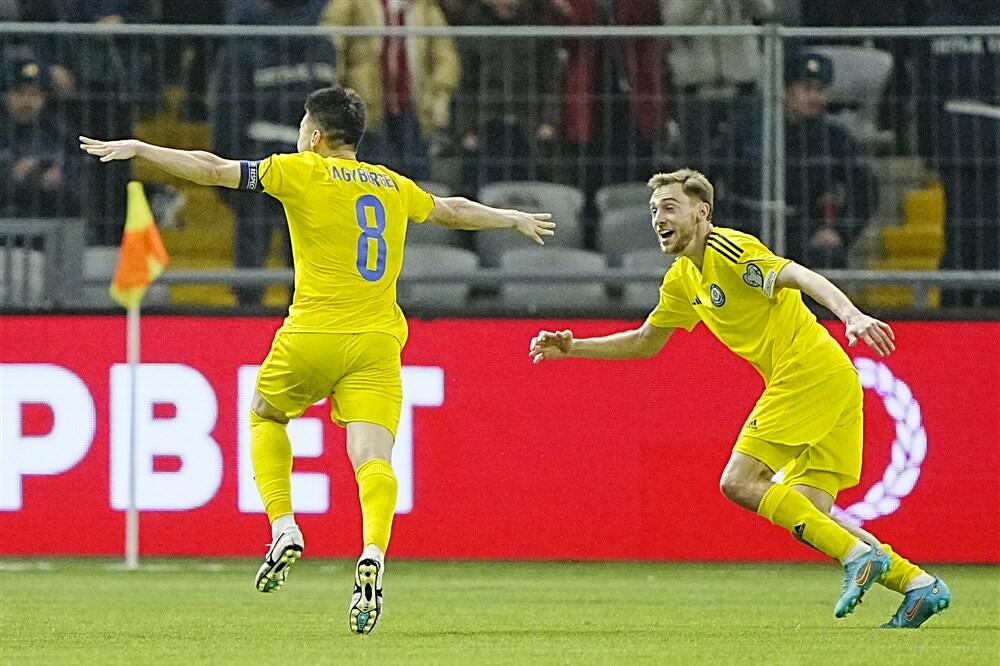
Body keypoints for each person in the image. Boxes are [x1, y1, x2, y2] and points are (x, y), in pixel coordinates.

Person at [80, 86, 554, 635]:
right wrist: (510, 218)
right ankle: (372, 553)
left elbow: (211, 169)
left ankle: (284, 525)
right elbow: (451, 210)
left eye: (304, 126)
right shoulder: (392, 184)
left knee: (264, 414)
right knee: (373, 456)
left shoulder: (301, 171)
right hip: (377, 340)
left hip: (313, 332)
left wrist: (143, 147)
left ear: (317, 135)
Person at [529, 168, 950, 629]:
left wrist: (850, 313)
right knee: (811, 516)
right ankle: (918, 585)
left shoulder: (729, 250)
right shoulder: (682, 279)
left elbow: (799, 275)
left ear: (701, 212)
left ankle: (858, 558)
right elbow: (646, 340)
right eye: (653, 210)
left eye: (669, 207)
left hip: (807, 372)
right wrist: (574, 347)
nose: (658, 218)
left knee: (738, 481)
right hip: (832, 380)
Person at [212, 0, 336, 306]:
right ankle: (305, 329)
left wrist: (224, 171)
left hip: (257, 159)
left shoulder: (241, 46)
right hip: (309, 163)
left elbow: (228, 113)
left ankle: (244, 326)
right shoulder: (323, 45)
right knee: (304, 256)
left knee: (252, 250)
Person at [712, 50, 878, 268]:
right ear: (786, 91)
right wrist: (718, 223)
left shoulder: (834, 138)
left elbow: (865, 188)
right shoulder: (745, 129)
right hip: (745, 223)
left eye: (820, 90)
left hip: (803, 226)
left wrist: (839, 231)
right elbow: (705, 175)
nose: (815, 98)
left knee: (826, 257)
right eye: (806, 89)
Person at [321, 0, 460, 181]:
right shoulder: (353, 3)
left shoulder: (424, 7)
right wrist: (336, 86)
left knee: (417, 176)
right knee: (370, 174)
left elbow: (445, 55)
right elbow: (331, 40)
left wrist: (440, 92)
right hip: (365, 105)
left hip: (413, 107)